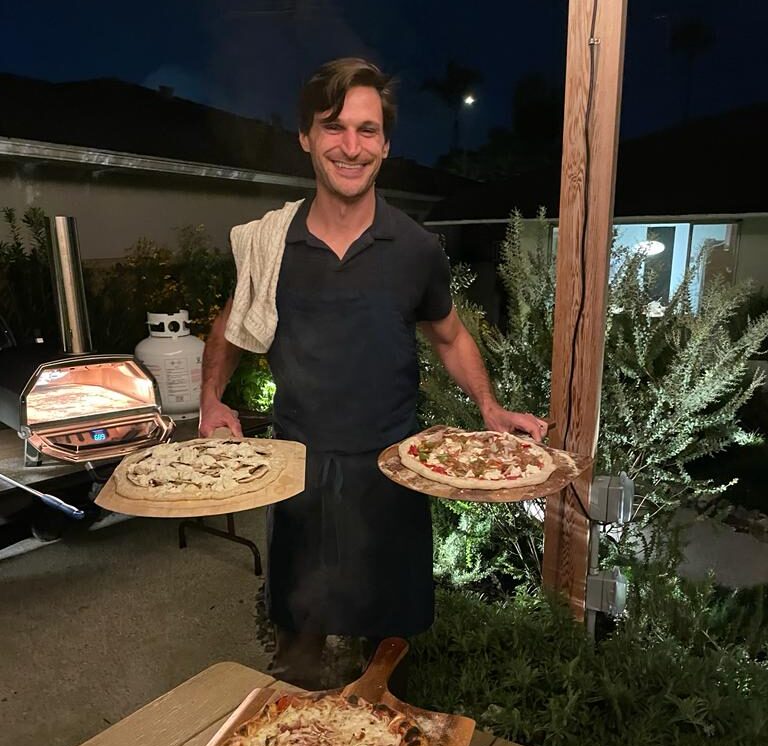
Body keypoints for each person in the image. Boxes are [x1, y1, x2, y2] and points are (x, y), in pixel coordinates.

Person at [199, 57, 548, 691]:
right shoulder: (273, 247)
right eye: (334, 128)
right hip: (297, 473)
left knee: (386, 661)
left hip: (392, 475)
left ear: (385, 144)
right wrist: (210, 401)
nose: (350, 147)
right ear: (306, 136)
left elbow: (450, 333)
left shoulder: (414, 248)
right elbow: (229, 324)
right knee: (295, 662)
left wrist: (491, 410)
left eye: (367, 130)